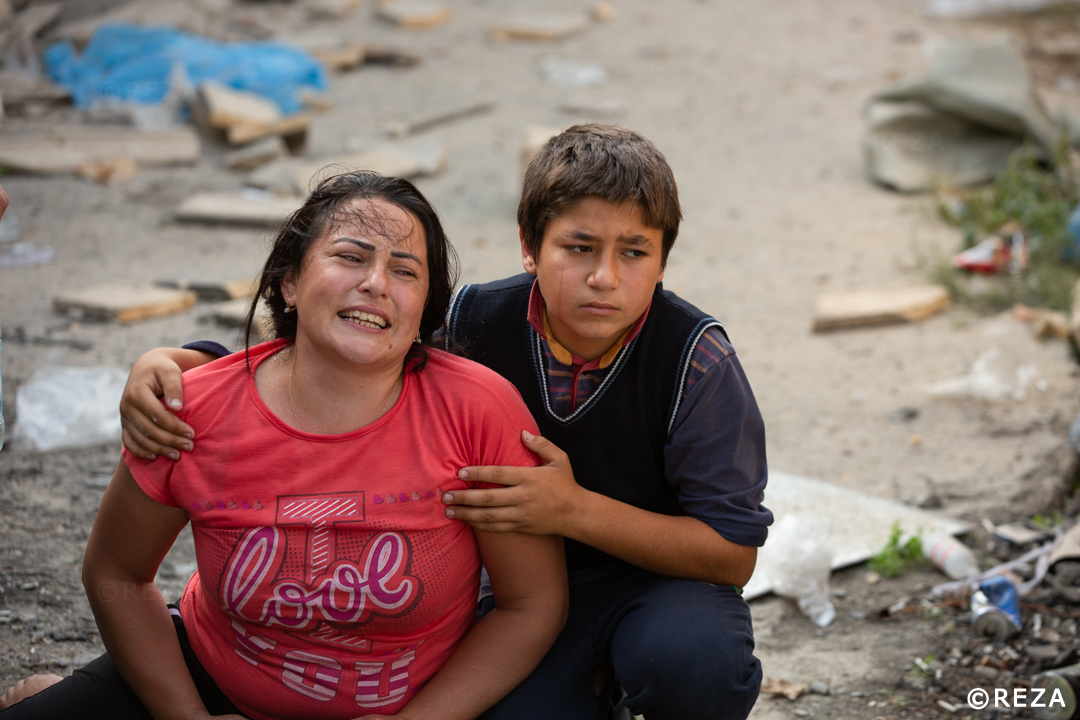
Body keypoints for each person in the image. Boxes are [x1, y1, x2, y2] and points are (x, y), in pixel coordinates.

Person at [113, 124, 771, 720]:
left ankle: (627, 677)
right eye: (578, 246)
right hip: (513, 586)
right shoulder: (474, 323)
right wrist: (188, 363)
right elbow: (350, 357)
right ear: (528, 247)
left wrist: (572, 511)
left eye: (635, 253)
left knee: (694, 667)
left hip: (657, 589)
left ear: (663, 262)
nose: (604, 277)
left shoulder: (696, 359)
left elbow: (733, 554)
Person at [0, 172, 568, 720]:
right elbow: (116, 572)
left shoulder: (477, 411)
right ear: (289, 282)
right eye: (350, 256)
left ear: (424, 309)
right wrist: (184, 715)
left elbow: (530, 604)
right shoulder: (188, 410)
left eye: (404, 270)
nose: (375, 282)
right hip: (208, 681)